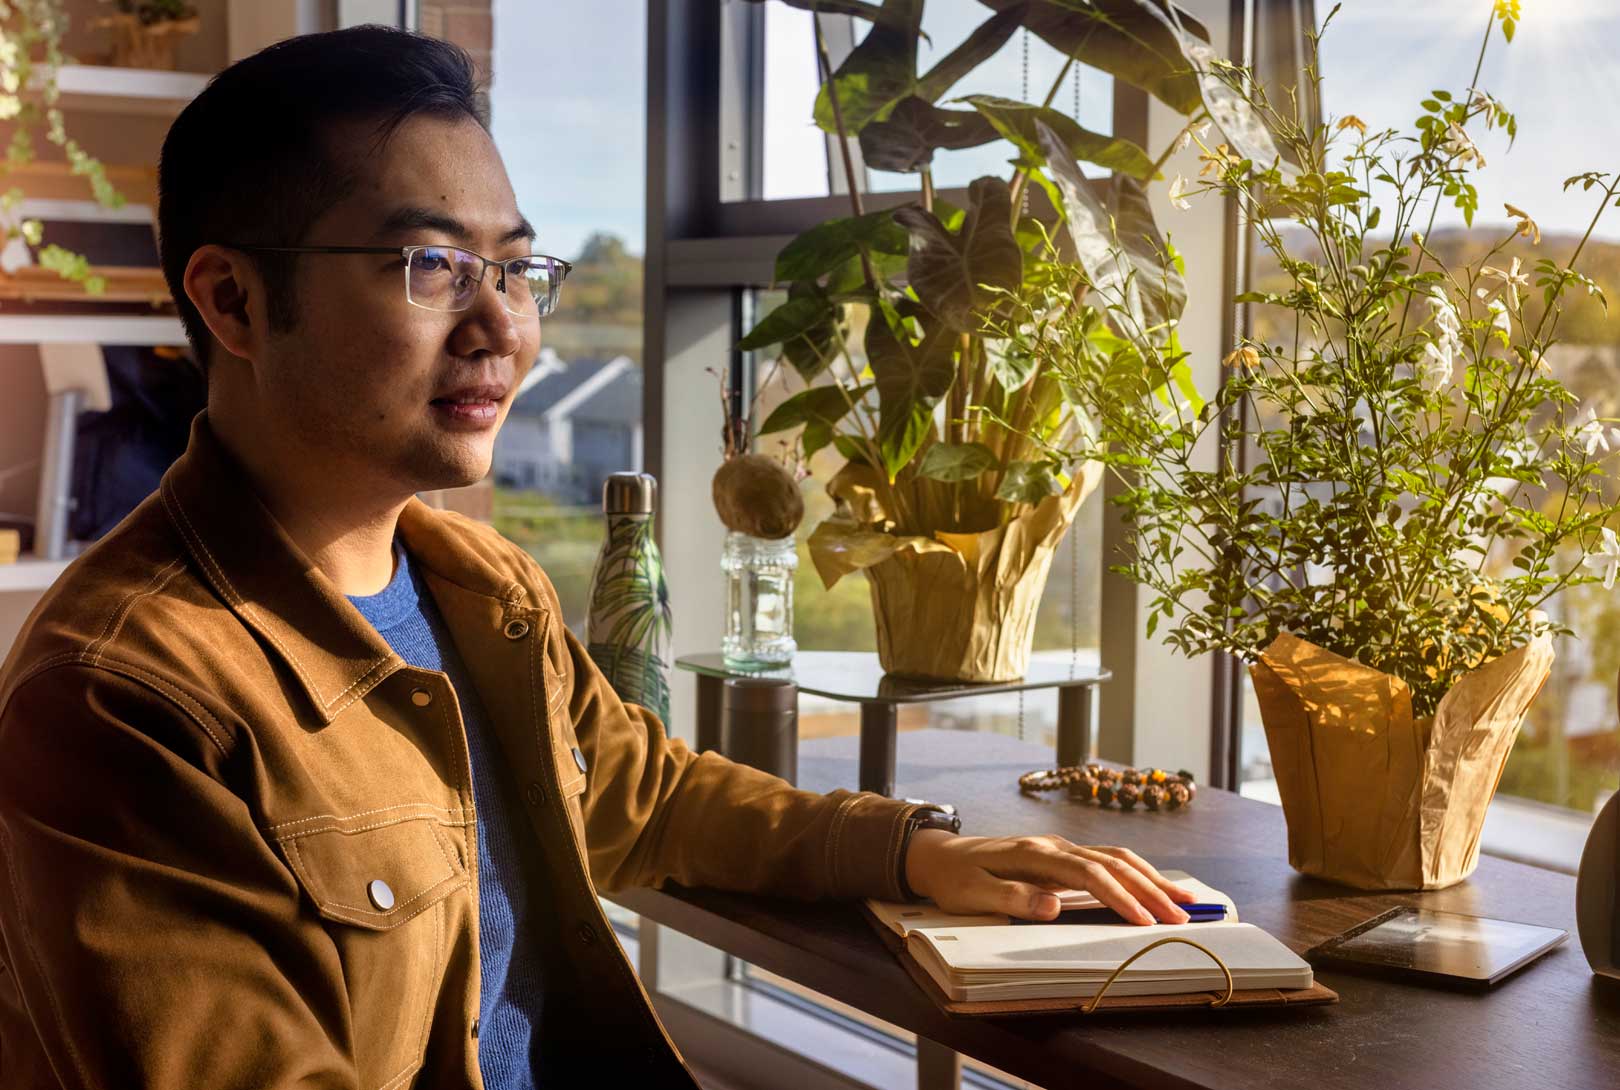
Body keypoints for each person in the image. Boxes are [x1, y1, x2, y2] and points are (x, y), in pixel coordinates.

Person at [0, 25, 1196, 1089]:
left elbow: (643, 793)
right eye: (433, 267)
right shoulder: (120, 699)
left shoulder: (477, 585)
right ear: (235, 302)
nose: (505, 327)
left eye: (515, 267)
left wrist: (914, 846)